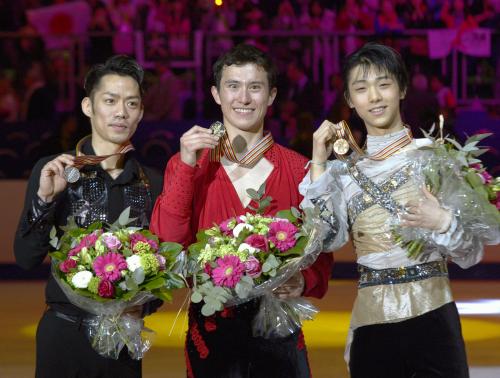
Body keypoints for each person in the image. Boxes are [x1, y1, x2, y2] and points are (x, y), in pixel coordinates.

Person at [299, 43, 500, 378]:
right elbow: (325, 239)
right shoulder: (343, 173)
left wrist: (444, 221)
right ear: (349, 100)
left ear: (402, 88)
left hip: (434, 316)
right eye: (361, 89)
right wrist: (319, 163)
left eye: (384, 84)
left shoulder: (436, 159)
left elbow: (470, 252)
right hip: (371, 322)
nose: (374, 97)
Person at [150, 44, 333, 378]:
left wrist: (303, 280)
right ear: (216, 94)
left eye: (255, 87)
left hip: (278, 325)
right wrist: (186, 168)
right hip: (212, 328)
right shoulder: (189, 164)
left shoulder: (298, 169)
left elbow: (320, 249)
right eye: (233, 86)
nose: (244, 98)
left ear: (272, 95)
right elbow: (167, 243)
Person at [14, 55, 163, 378]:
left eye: (132, 103)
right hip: (63, 336)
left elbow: (162, 269)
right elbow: (26, 258)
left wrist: (144, 305)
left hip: (123, 338)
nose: (121, 112)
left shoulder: (152, 181)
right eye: (110, 100)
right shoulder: (54, 170)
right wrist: (45, 199)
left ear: (140, 112)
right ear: (88, 106)